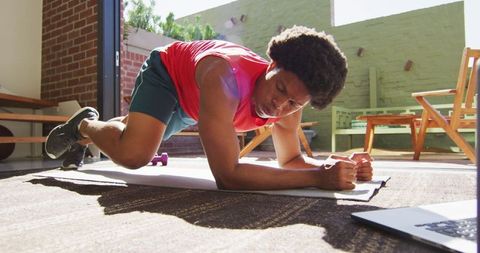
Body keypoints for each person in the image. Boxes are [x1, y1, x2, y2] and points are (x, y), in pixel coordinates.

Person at [45, 25, 373, 190]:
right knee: (135, 154)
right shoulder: (224, 78)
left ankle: (89, 137)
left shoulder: (292, 100)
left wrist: (335, 167)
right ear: (271, 65)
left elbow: (289, 160)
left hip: (194, 102)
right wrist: (317, 178)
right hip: (168, 73)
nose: (279, 105)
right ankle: (85, 124)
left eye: (294, 104)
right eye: (280, 88)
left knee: (133, 133)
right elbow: (228, 176)